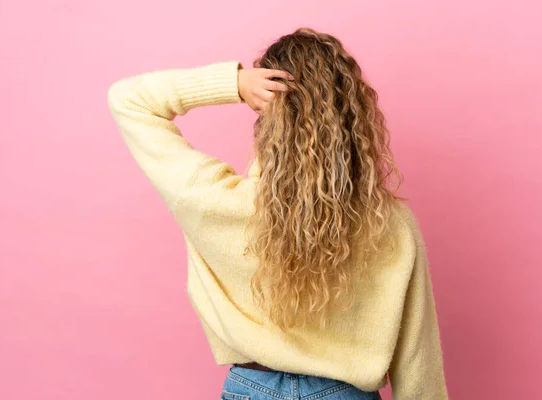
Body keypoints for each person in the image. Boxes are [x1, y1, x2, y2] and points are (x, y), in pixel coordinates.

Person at [108, 27, 448, 400]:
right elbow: (417, 359)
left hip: (250, 390)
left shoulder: (215, 200)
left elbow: (129, 100)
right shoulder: (391, 225)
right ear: (352, 121)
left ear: (267, 120)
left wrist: (235, 83)